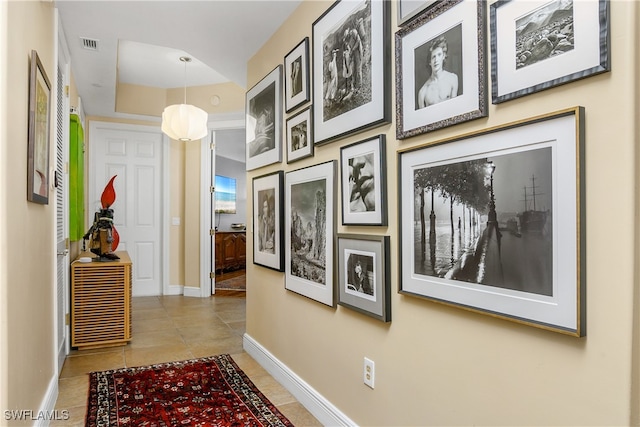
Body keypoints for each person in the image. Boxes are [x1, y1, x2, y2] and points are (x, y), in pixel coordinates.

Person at [417, 36, 459, 109]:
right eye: (433, 57)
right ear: (430, 62)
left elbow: (455, 109)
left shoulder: (452, 79)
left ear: (444, 56)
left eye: (439, 55)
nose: (436, 60)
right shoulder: (423, 91)